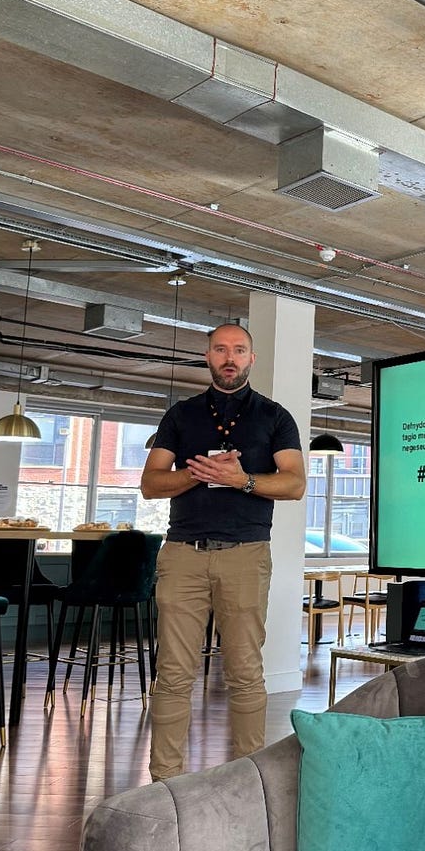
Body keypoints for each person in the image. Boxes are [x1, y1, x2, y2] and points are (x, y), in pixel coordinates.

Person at [141, 323, 306, 780]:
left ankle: (247, 778)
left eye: (239, 350)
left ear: (252, 358)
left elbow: (294, 483)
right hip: (182, 555)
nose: (229, 357)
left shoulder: (275, 416)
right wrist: (198, 474)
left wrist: (243, 480)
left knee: (246, 671)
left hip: (245, 554)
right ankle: (164, 781)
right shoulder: (181, 415)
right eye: (220, 349)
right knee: (173, 672)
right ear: (208, 356)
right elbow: (151, 484)